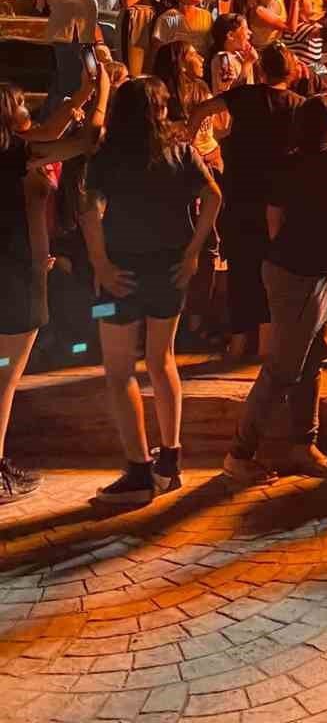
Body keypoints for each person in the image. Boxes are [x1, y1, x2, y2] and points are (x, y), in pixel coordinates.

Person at [223, 94, 327, 483]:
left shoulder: (291, 158)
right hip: (303, 275)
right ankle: (239, 453)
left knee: (314, 356)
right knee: (283, 368)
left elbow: (274, 219)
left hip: (304, 269)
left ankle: (304, 443)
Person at [80, 77, 221, 506]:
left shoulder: (107, 155)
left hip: (118, 274)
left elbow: (88, 208)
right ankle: (170, 462)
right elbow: (214, 196)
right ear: (158, 110)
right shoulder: (181, 151)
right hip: (169, 270)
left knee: (119, 370)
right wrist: (195, 252)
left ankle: (139, 470)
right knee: (162, 361)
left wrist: (100, 264)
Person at [0, 73, 107, 499]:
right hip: (16, 276)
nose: (31, 105)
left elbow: (52, 129)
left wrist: (80, 93)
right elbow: (88, 140)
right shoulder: (19, 155)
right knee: (5, 379)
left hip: (15, 269)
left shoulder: (16, 151)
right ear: (9, 115)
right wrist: (103, 94)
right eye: (22, 102)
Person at [188, 43, 303, 359]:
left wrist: (187, 146)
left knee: (241, 267)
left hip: (239, 193)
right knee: (271, 268)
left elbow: (201, 110)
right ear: (291, 71)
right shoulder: (298, 105)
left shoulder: (244, 96)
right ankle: (266, 345)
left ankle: (239, 343)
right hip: (277, 198)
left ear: (261, 70)